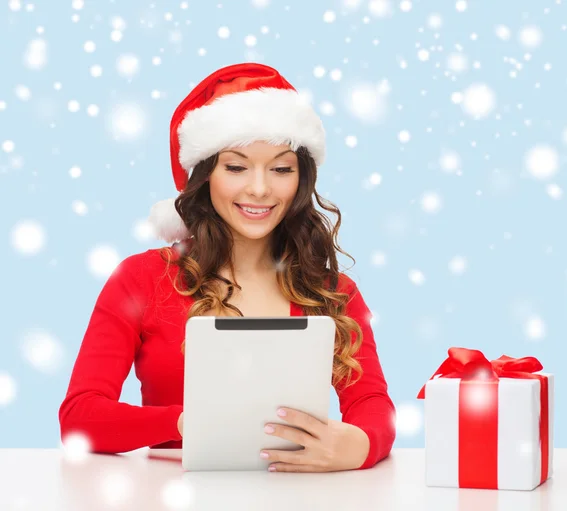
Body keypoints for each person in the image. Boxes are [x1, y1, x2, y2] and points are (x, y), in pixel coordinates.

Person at [58, 63, 396, 473]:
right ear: (204, 177)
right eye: (236, 167)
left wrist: (360, 445)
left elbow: (372, 405)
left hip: (295, 494)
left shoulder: (332, 291)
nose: (260, 188)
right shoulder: (142, 279)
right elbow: (80, 416)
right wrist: (187, 423)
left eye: (281, 168)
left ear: (301, 179)